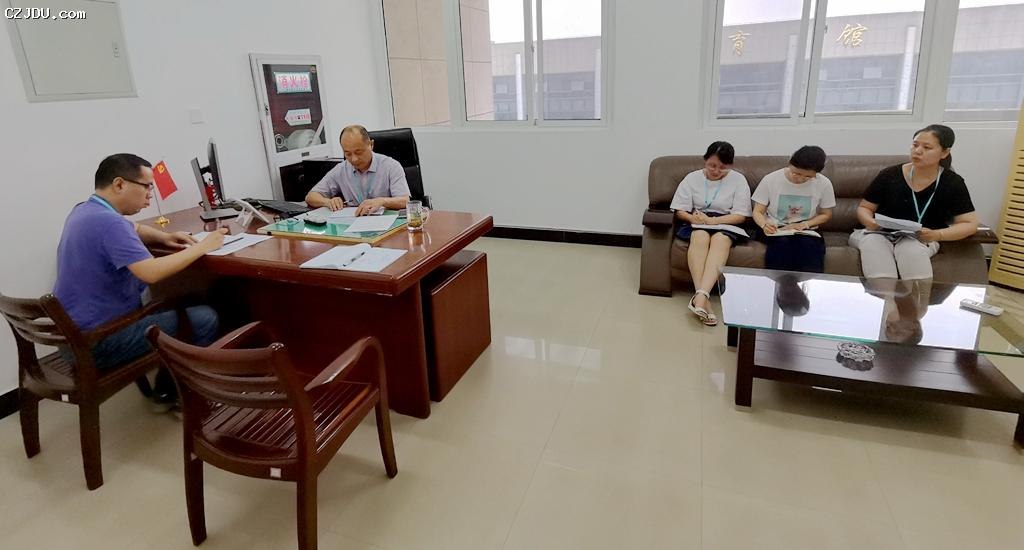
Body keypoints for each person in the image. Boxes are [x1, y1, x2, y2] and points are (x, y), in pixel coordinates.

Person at [54, 154, 227, 411]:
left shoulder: (85, 210)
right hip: (97, 343)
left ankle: (167, 387)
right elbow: (151, 273)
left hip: (73, 336)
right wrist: (202, 247)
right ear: (119, 184)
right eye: (147, 187)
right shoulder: (109, 223)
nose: (149, 195)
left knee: (186, 301)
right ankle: (182, 397)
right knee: (205, 318)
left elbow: (133, 229)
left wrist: (165, 238)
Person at [850, 124, 979, 279]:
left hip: (920, 239)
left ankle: (917, 295)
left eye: (927, 147)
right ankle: (885, 294)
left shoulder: (953, 182)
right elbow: (865, 207)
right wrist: (870, 222)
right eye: (915, 145)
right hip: (878, 233)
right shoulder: (889, 175)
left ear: (944, 152)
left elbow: (969, 224)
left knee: (911, 250)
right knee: (874, 244)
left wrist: (937, 234)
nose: (917, 151)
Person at [670, 141, 751, 326]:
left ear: (731, 165)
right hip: (698, 219)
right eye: (712, 165)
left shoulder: (738, 180)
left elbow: (741, 215)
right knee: (699, 236)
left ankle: (700, 298)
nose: (716, 171)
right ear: (705, 160)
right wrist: (691, 218)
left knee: (721, 240)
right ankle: (703, 299)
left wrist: (714, 221)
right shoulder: (692, 178)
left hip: (726, 221)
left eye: (723, 168)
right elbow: (679, 210)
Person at [752, 146, 835, 273]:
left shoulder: (824, 183)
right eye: (796, 173)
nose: (800, 179)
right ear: (790, 163)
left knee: (808, 246)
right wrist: (764, 224)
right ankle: (779, 282)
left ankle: (808, 283)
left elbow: (826, 214)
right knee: (782, 244)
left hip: (805, 228)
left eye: (808, 177)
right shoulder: (771, 179)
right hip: (775, 227)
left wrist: (804, 224)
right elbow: (758, 211)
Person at [305, 125, 411, 215]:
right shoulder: (341, 170)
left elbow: (405, 201)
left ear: (371, 145)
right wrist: (328, 202)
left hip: (387, 223)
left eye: (358, 152)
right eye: (348, 154)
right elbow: (311, 197)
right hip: (354, 223)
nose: (354, 159)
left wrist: (382, 201)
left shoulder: (391, 166)